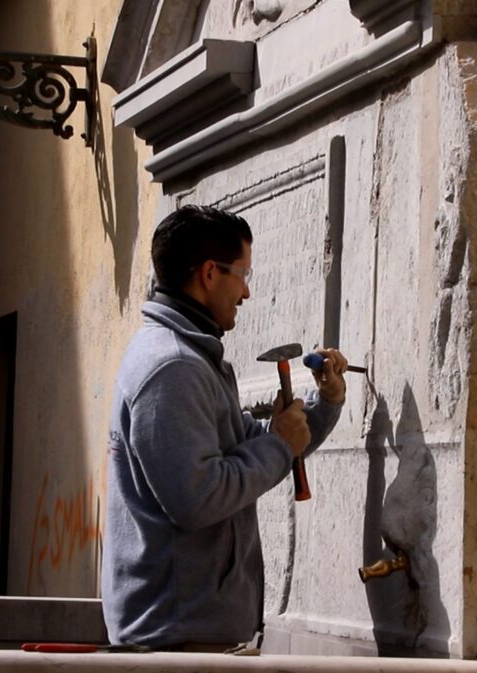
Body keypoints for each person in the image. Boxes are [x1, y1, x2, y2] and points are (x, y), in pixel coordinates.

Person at [102, 204, 350, 651]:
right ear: (210, 274)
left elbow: (255, 445)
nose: (248, 292)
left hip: (189, 633)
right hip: (175, 641)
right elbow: (198, 499)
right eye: (242, 274)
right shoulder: (172, 367)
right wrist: (278, 445)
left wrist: (324, 402)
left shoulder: (190, 359)